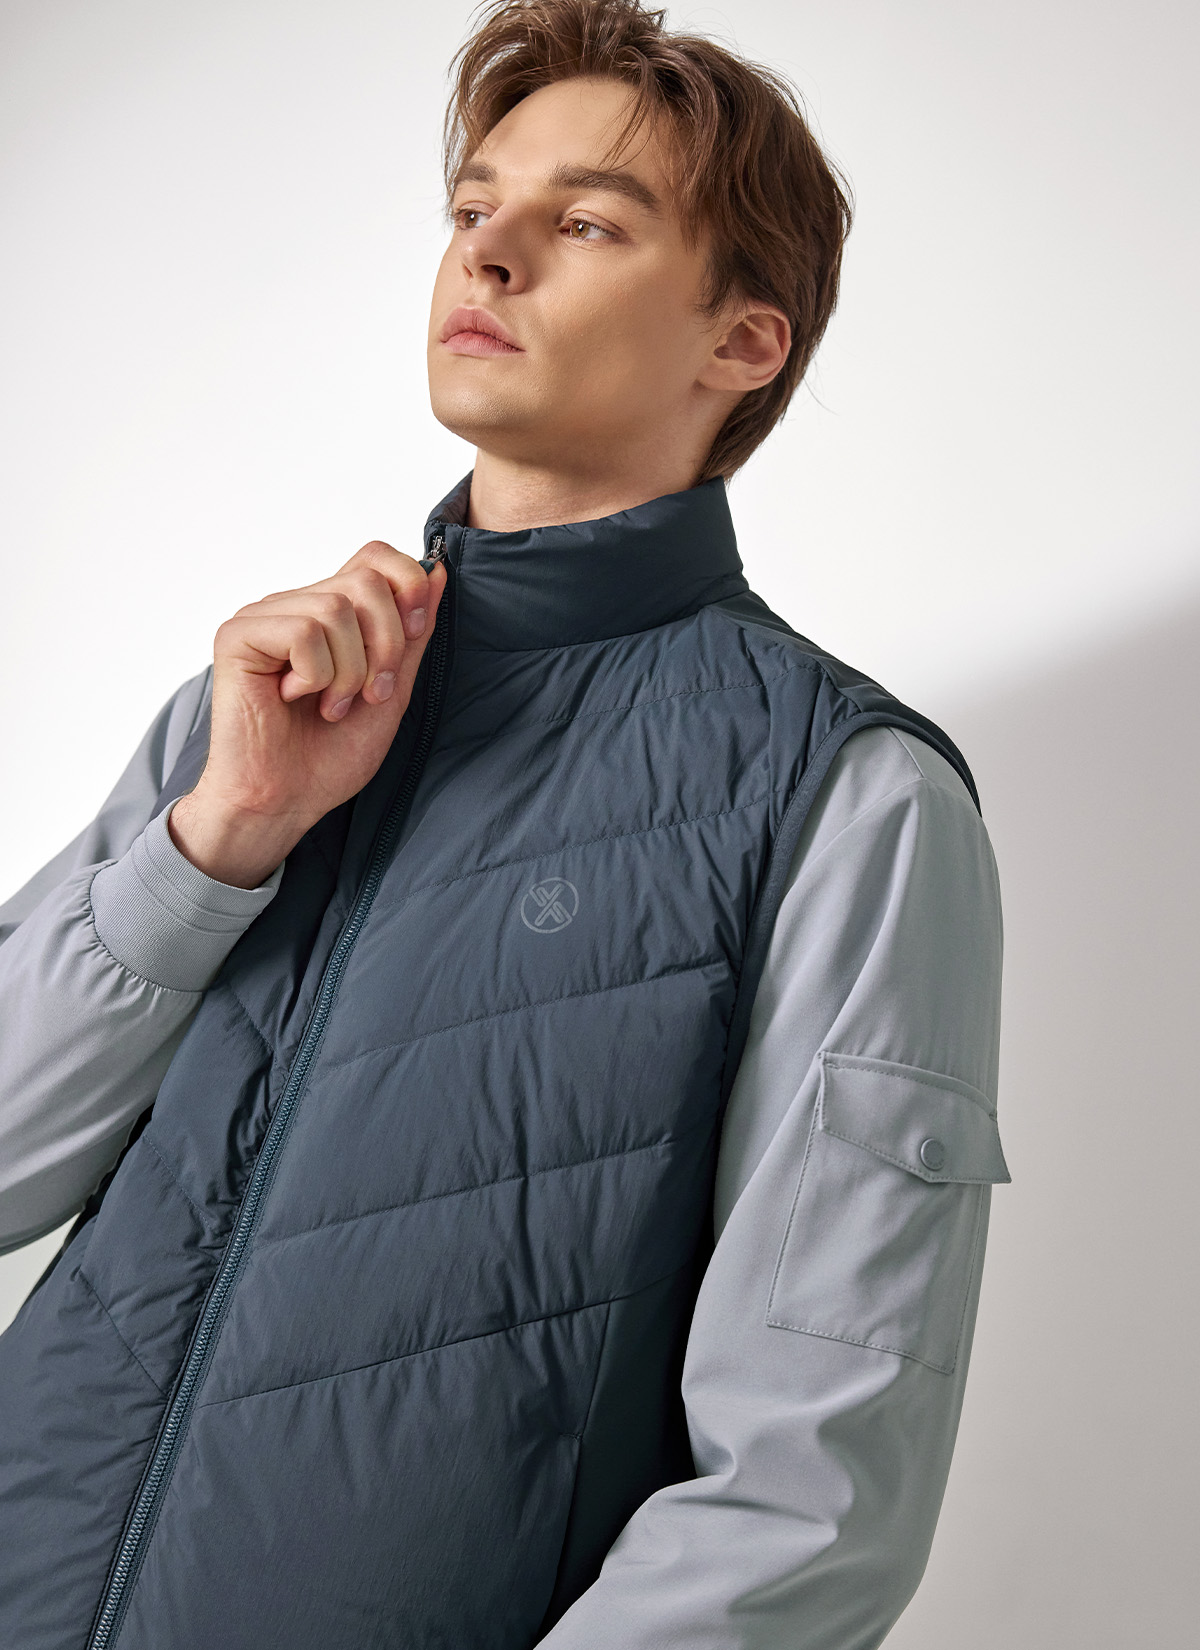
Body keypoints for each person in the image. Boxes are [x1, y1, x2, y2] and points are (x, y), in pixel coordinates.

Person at [0, 2, 1008, 1645]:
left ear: (744, 343)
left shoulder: (847, 793)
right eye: (474, 207)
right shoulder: (255, 705)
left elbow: (815, 1496)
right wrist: (219, 839)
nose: (488, 252)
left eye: (587, 222)